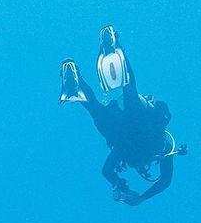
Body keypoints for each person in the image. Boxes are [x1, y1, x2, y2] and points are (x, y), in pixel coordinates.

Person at [60, 25, 185, 204]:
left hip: (123, 126)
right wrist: (139, 196)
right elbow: (164, 181)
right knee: (108, 102)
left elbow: (108, 171)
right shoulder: (160, 148)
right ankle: (85, 74)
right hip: (134, 123)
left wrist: (119, 185)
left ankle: (77, 79)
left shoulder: (133, 152)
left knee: (122, 93)